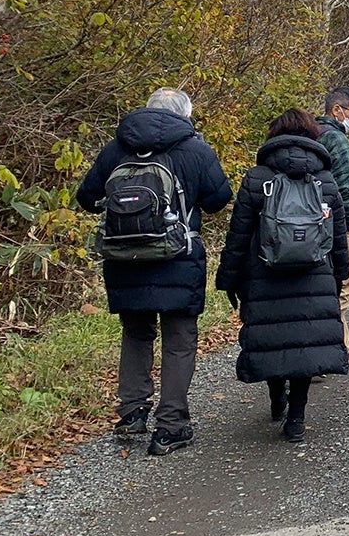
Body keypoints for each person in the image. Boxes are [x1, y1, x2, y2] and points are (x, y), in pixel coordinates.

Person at [76, 87, 233, 456]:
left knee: (135, 333)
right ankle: (171, 425)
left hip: (124, 258)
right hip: (178, 256)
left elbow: (86, 199)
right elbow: (218, 200)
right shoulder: (194, 148)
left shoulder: (117, 148)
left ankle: (131, 412)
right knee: (179, 339)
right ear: (185, 114)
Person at [215, 108, 349, 442]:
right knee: (304, 341)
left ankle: (277, 398)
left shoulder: (257, 178)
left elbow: (239, 234)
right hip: (314, 273)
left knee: (273, 337)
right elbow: (337, 235)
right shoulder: (326, 180)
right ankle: (297, 417)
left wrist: (228, 278)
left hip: (263, 272)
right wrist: (339, 275)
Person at [317, 87, 349, 366]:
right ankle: (327, 341)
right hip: (334, 225)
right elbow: (346, 191)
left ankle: (342, 346)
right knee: (346, 286)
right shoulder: (336, 138)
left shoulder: (306, 132)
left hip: (304, 226)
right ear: (337, 110)